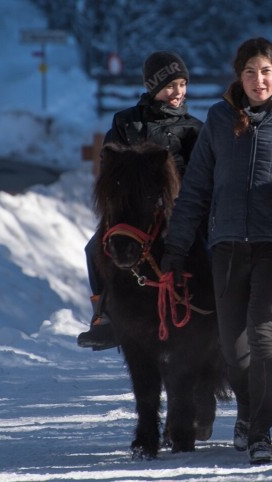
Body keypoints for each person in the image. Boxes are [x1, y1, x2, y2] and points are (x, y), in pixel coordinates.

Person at [160, 37, 272, 464]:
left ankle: (261, 434)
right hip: (228, 245)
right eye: (250, 72)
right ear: (239, 76)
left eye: (265, 70)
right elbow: (195, 189)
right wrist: (175, 248)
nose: (258, 79)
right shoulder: (218, 119)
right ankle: (247, 413)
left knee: (263, 335)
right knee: (232, 345)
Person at [77, 51, 202, 350]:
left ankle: (207, 307)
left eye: (182, 84)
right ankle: (105, 315)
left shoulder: (193, 128)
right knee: (95, 247)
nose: (178, 92)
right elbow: (109, 164)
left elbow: (201, 174)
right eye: (170, 86)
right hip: (133, 210)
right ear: (151, 87)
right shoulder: (126, 122)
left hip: (177, 209)